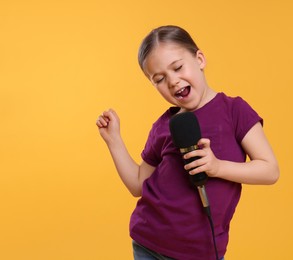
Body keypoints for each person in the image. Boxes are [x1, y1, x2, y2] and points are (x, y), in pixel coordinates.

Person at [96, 25, 279, 260]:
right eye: (160, 79)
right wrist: (114, 140)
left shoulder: (234, 111)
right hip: (147, 242)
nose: (172, 81)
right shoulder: (164, 125)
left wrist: (217, 167)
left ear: (200, 59)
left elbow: (270, 170)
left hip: (200, 252)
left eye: (178, 67)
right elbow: (139, 185)